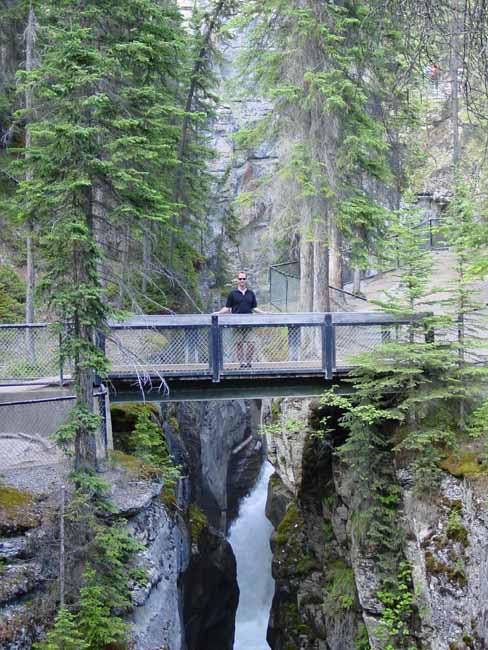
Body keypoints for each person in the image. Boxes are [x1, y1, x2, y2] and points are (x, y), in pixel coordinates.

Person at [214, 272, 266, 367]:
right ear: (237, 280)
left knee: (251, 343)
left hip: (249, 324)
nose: (242, 280)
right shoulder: (232, 294)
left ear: (246, 280)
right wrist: (218, 313)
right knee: (239, 344)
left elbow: (254, 307)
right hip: (236, 324)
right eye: (240, 279)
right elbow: (227, 308)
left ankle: (249, 362)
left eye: (244, 279)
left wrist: (264, 313)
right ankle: (242, 363)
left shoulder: (250, 293)